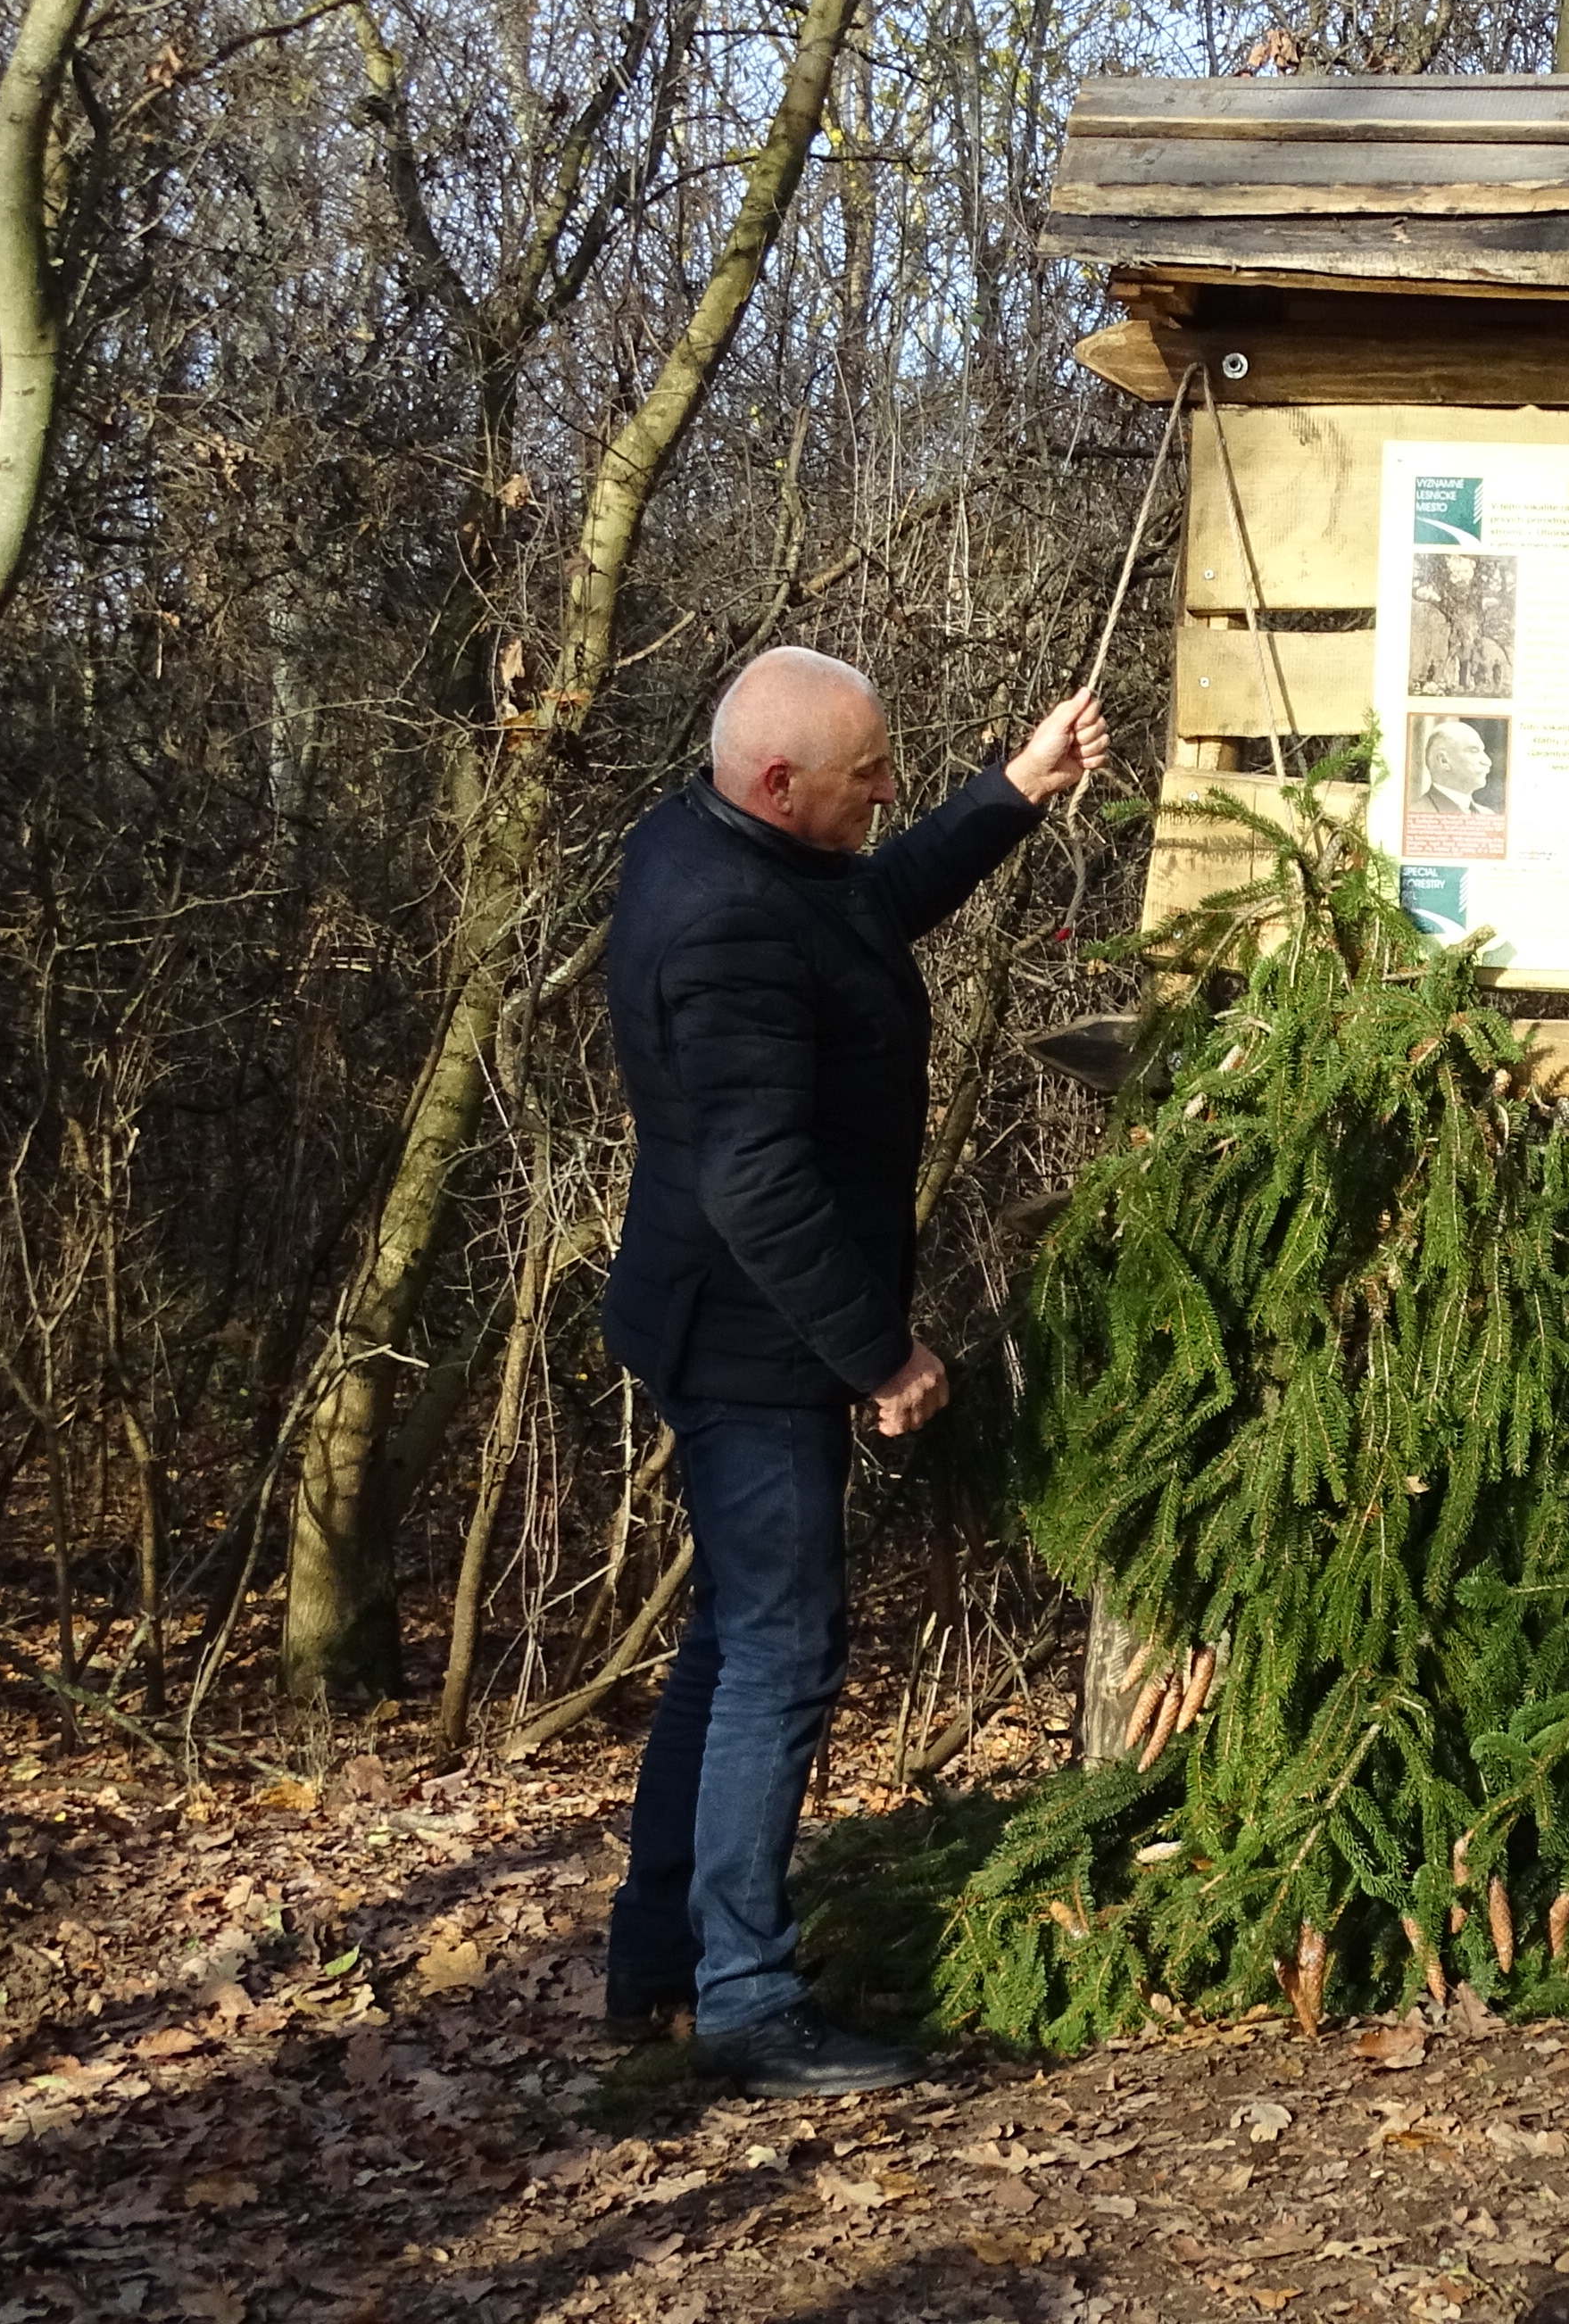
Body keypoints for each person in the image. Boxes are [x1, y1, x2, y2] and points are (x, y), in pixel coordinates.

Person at [595, 649, 1107, 2093]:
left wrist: (1013, 791)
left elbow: (866, 912)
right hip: (752, 1341)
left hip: (731, 1322)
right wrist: (880, 1354)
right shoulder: (724, 926)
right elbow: (757, 1184)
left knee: (732, 1642)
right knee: (784, 1651)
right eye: (868, 775)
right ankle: (750, 2000)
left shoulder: (732, 842)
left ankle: (662, 1969)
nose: (888, 792)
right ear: (778, 783)